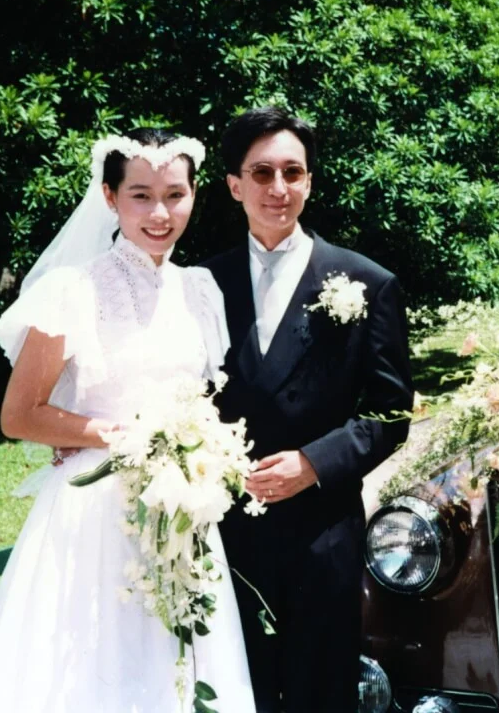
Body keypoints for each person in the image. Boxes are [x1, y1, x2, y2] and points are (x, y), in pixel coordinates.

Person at [0, 129, 256, 713]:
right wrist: (108, 435)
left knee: (178, 662)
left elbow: (201, 399)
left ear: (195, 196)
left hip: (181, 510)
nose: (160, 213)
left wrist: (199, 449)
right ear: (110, 197)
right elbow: (19, 415)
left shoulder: (199, 290)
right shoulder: (71, 290)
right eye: (141, 196)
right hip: (93, 516)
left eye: (175, 195)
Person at [202, 107, 414, 712]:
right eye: (261, 173)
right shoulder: (200, 285)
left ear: (310, 182)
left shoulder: (367, 282)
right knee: (237, 692)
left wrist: (314, 463)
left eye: (292, 172)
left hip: (322, 531)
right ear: (234, 185)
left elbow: (390, 413)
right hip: (225, 531)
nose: (278, 188)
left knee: (320, 693)